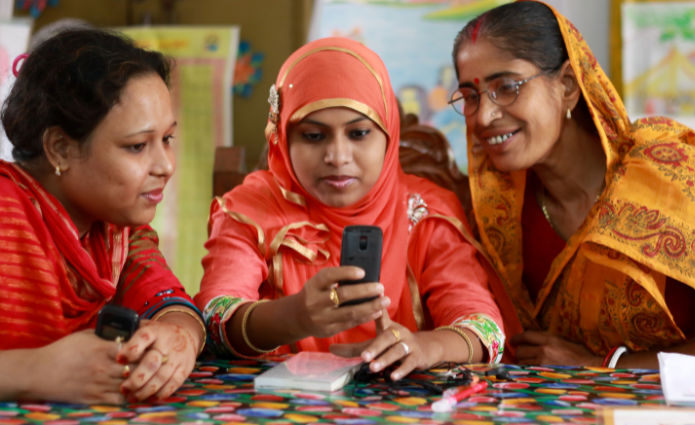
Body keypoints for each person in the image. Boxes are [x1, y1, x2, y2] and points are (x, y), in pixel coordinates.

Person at [451, 0, 695, 370]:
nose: (484, 116)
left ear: (567, 85)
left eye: (506, 87)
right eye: (471, 97)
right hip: (569, 414)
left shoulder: (664, 172)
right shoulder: (499, 213)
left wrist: (608, 365)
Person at [196, 37, 510, 380]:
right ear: (283, 138)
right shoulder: (251, 210)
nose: (338, 157)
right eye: (314, 136)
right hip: (277, 414)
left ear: (389, 134)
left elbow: (485, 329)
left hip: (405, 419)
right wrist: (294, 316)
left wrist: (425, 347)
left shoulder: (426, 213)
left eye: (359, 133)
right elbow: (213, 318)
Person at [0, 29, 206, 404]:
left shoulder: (117, 230)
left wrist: (178, 340)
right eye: (138, 146)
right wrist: (32, 371)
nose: (165, 166)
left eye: (168, 139)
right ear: (60, 148)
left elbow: (169, 301)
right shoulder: (6, 215)